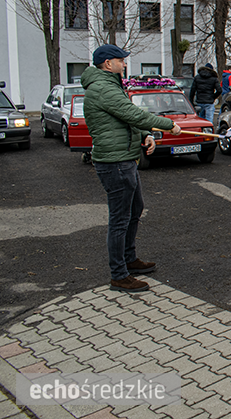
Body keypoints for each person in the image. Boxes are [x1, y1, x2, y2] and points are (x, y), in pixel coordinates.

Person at [81, 44, 182, 293]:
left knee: (135, 209)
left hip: (125, 159)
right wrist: (168, 125)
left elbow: (126, 119)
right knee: (120, 220)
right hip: (114, 163)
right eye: (121, 60)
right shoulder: (103, 88)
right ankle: (119, 275)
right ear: (108, 64)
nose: (124, 64)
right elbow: (133, 114)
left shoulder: (111, 85)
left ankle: (129, 259)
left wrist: (146, 134)